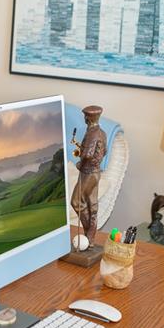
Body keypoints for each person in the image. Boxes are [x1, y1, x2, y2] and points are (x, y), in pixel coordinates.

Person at [70, 106, 107, 247]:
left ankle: (88, 232)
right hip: (96, 172)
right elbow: (105, 151)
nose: (84, 119)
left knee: (76, 202)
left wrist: (81, 163)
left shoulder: (92, 133)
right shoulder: (102, 133)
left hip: (88, 173)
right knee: (93, 206)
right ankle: (90, 239)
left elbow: (87, 154)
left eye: (85, 116)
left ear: (89, 118)